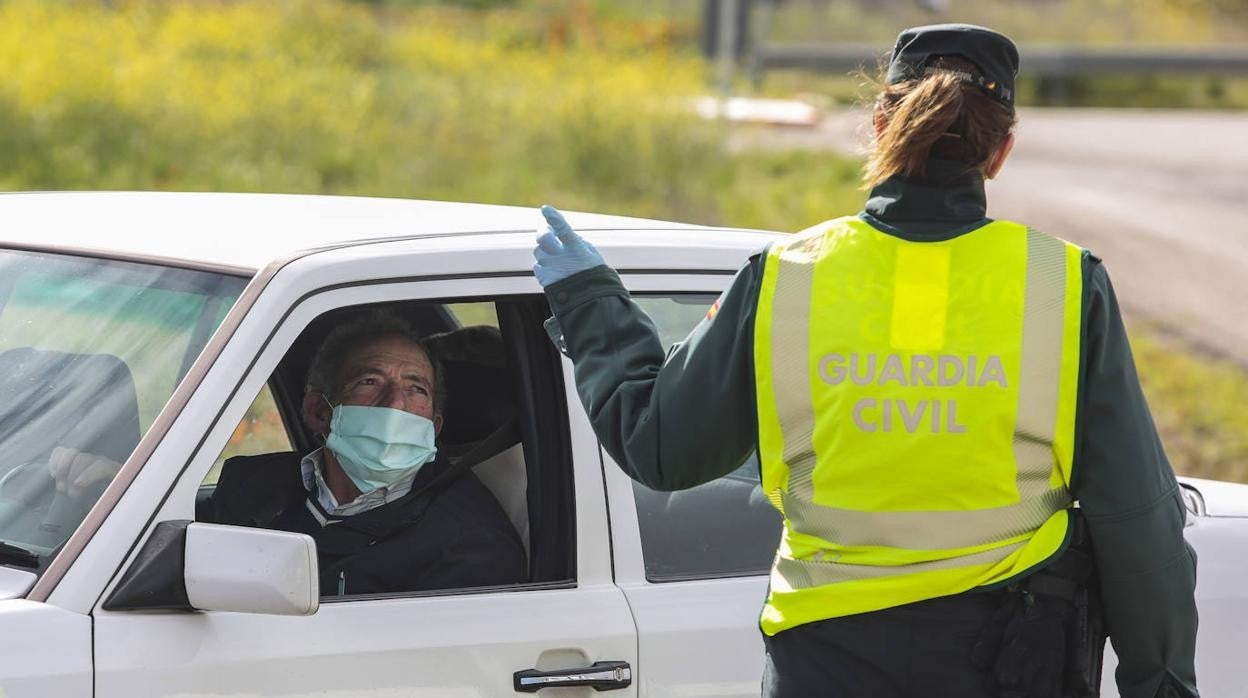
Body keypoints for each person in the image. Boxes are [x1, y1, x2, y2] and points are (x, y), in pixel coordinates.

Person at [532, 23, 1198, 698]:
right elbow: (1137, 519)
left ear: (881, 124)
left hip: (824, 665)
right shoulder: (1063, 284)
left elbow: (661, 447)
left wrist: (591, 301)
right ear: (1000, 151)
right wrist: (1163, 684)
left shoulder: (787, 275)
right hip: (1010, 659)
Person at [204, 309, 527, 595]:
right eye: (370, 381)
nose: (396, 403)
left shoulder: (470, 546)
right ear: (319, 410)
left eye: (416, 389)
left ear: (435, 426)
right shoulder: (249, 485)